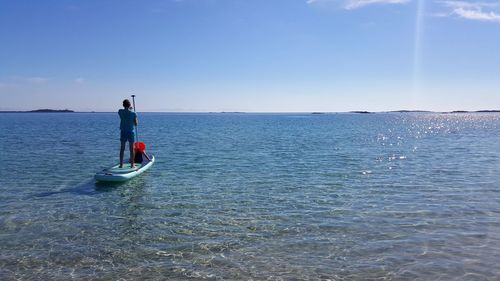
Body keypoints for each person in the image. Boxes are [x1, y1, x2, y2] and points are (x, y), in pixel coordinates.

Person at [118, 99, 138, 168]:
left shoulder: (120, 112)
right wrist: (133, 113)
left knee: (122, 148)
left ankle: (121, 164)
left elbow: (123, 112)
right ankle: (132, 165)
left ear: (123, 105)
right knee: (131, 149)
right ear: (129, 105)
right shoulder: (133, 113)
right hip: (130, 132)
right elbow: (136, 124)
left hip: (123, 131)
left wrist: (129, 109)